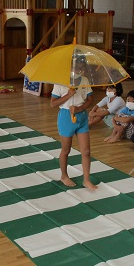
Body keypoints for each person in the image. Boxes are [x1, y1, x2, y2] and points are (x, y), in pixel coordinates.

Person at [50, 55, 97, 190]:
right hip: (66, 117)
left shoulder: (85, 80)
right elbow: (53, 104)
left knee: (86, 151)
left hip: (81, 117)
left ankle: (86, 179)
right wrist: (69, 95)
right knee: (66, 150)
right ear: (69, 68)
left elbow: (90, 100)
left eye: (81, 68)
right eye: (75, 68)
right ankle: (64, 175)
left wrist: (80, 108)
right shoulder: (60, 82)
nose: (77, 71)